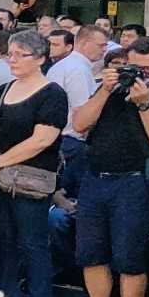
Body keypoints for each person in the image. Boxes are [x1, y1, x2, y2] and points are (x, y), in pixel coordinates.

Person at [58, 36, 149, 297]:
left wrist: (144, 103)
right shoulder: (110, 88)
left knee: (129, 256)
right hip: (96, 177)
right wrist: (105, 88)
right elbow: (80, 123)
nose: (143, 74)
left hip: (135, 182)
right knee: (90, 251)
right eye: (136, 68)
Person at [0, 30, 66, 297]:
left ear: (40, 58)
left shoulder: (52, 94)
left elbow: (41, 140)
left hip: (28, 181)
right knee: (3, 240)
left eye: (20, 54)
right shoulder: (3, 89)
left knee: (32, 242)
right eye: (10, 53)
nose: (12, 59)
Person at [49, 24, 109, 200]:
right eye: (101, 45)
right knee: (74, 198)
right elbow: (81, 110)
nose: (105, 50)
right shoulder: (78, 69)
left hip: (62, 139)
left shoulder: (64, 66)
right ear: (84, 43)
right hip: (72, 141)